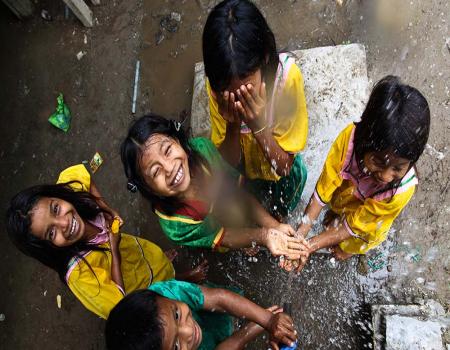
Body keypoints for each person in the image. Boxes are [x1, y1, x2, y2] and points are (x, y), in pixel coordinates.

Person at [6, 164, 207, 319]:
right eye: (51, 233)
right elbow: (120, 306)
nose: (64, 223)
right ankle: (182, 283)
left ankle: (177, 274)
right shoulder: (79, 274)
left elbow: (82, 173)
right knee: (164, 296)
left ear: (56, 197)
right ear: (47, 247)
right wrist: (114, 249)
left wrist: (107, 209)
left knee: (158, 262)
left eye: (56, 209)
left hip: (136, 252)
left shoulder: (70, 195)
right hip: (136, 287)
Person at [286, 76, 430, 271]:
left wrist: (308, 247)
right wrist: (301, 233)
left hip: (366, 224)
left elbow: (354, 226)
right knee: (336, 209)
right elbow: (325, 185)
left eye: (398, 168)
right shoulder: (350, 141)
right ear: (364, 141)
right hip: (350, 195)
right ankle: (336, 214)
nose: (386, 177)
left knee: (352, 240)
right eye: (379, 162)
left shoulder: (400, 191)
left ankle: (350, 250)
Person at [121, 114, 309, 259]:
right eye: (155, 172)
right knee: (231, 236)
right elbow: (221, 236)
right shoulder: (176, 225)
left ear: (178, 141)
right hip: (216, 229)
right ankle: (246, 240)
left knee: (294, 170)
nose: (169, 168)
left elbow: (237, 192)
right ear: (149, 189)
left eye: (168, 151)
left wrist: (272, 225)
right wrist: (262, 236)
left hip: (228, 202)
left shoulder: (203, 150)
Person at [202, 0, 308, 218]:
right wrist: (233, 125)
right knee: (241, 196)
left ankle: (278, 215)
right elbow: (228, 164)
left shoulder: (286, 82)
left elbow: (284, 167)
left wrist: (258, 126)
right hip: (244, 169)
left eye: (246, 90)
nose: (239, 99)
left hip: (278, 169)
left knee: (286, 193)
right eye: (231, 94)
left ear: (265, 58)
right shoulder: (217, 89)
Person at [105, 279, 298, 350]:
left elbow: (219, 298)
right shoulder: (167, 305)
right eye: (175, 347)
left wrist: (268, 320)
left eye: (177, 315)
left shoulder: (167, 294)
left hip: (213, 319)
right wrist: (245, 333)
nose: (189, 331)